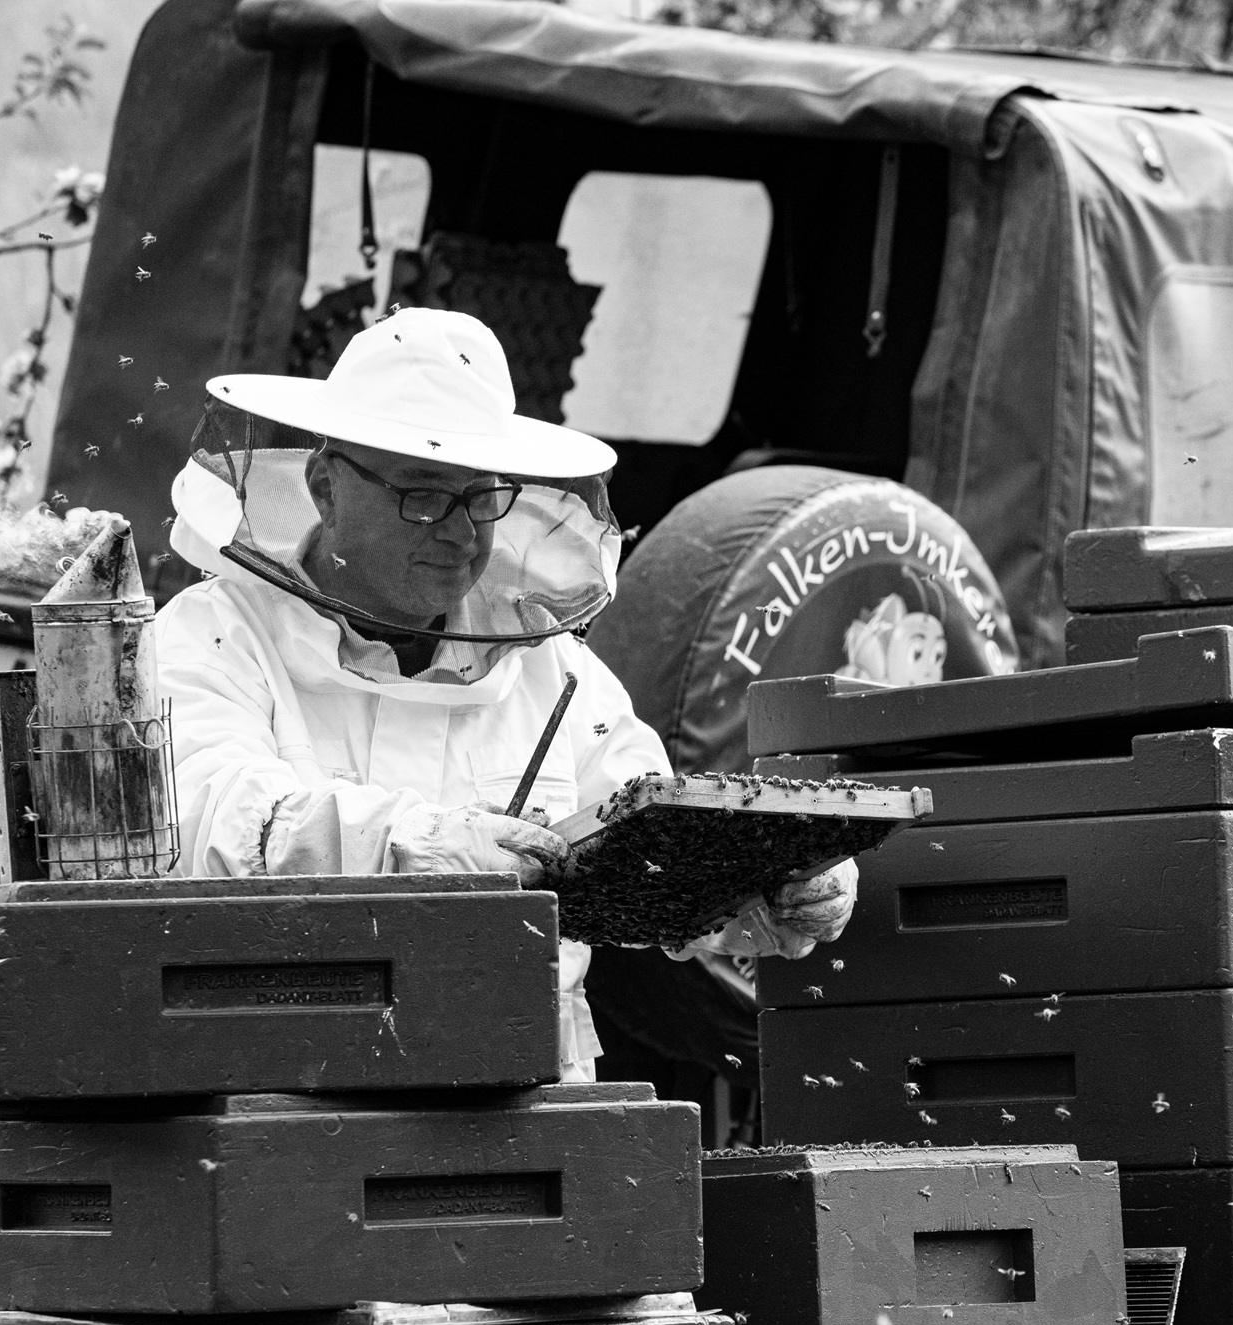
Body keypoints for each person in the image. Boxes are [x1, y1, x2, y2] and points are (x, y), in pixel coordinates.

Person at [153, 308, 855, 1081]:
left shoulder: (552, 668)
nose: (459, 533)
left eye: (481, 497)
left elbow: (649, 826)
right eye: (422, 495)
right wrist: (410, 847)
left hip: (531, 1095)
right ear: (326, 484)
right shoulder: (214, 638)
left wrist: (759, 888)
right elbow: (206, 816)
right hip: (295, 1086)